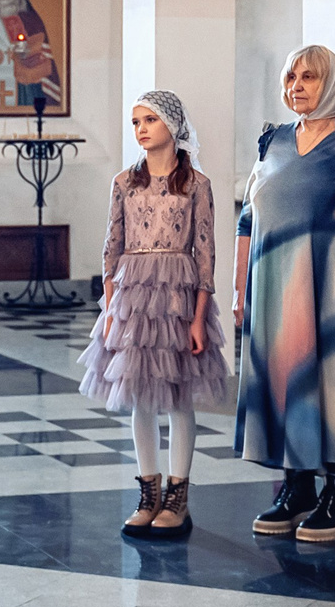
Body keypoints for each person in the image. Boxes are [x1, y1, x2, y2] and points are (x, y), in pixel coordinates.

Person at [234, 45, 335, 544]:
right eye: (290, 78)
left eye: (308, 77)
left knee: (329, 385)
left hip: (331, 282)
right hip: (272, 285)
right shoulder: (273, 140)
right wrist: (240, 289)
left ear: (332, 82)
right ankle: (297, 487)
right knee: (282, 383)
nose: (296, 87)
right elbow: (247, 219)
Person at [79, 91, 229, 539]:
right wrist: (110, 308)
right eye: (135, 121)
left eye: (150, 120)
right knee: (140, 393)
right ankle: (148, 492)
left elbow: (206, 254)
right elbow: (111, 248)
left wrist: (199, 317)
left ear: (172, 125)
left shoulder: (197, 185)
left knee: (179, 395)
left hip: (179, 297)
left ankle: (178, 497)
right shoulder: (124, 182)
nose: (141, 129)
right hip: (134, 297)